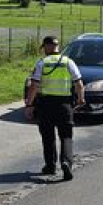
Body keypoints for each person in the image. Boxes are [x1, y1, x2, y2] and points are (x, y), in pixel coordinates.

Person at [24, 35, 85, 181]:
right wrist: (81, 99)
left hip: (45, 105)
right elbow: (79, 84)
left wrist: (29, 105)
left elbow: (34, 86)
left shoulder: (42, 63)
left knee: (48, 136)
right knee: (66, 136)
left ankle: (50, 166)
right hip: (64, 105)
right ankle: (66, 163)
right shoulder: (68, 62)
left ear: (46, 47)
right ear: (57, 47)